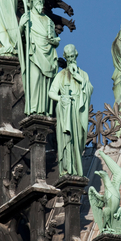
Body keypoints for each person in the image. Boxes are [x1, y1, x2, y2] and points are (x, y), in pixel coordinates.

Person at [49, 44, 93, 177]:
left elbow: (90, 90)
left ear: (76, 55)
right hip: (66, 111)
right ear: (66, 58)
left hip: (79, 112)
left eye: (73, 56)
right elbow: (51, 93)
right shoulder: (61, 75)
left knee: (79, 140)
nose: (71, 59)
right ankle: (68, 169)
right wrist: (61, 98)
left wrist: (79, 78)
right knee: (67, 139)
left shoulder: (83, 74)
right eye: (68, 57)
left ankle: (77, 168)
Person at [19, 0, 60, 115]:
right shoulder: (27, 16)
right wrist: (21, 27)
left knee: (45, 84)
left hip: (47, 54)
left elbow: (54, 39)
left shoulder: (49, 21)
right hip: (34, 54)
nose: (40, 0)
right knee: (35, 80)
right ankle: (33, 108)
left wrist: (55, 41)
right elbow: (19, 40)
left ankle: (44, 110)